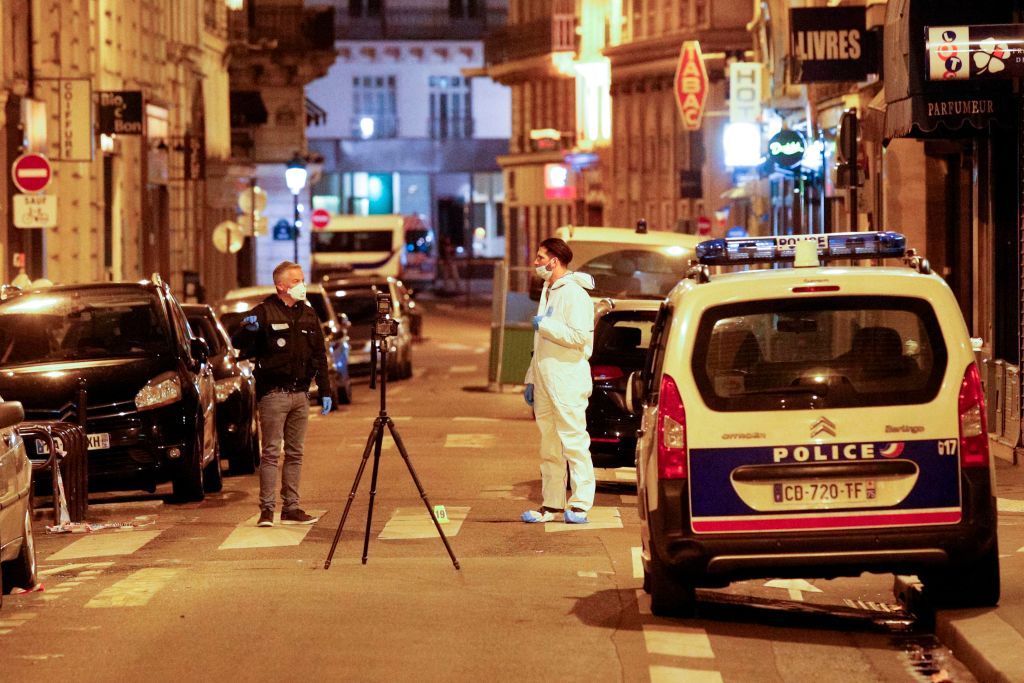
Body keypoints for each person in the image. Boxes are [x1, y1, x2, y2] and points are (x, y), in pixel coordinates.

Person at [232, 261, 332, 527]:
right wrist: (247, 329)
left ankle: (292, 507)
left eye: (302, 280)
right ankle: (266, 510)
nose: (302, 285)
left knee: (296, 453)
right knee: (271, 453)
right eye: (297, 281)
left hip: (300, 394)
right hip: (273, 394)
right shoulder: (264, 313)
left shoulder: (308, 315)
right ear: (281, 286)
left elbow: (319, 355)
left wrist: (325, 390)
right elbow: (239, 343)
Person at [521, 238, 596, 524]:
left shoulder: (574, 294)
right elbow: (539, 345)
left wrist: (547, 325)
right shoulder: (548, 290)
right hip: (546, 380)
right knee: (549, 446)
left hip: (567, 380)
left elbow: (580, 337)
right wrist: (532, 379)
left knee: (574, 442)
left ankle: (580, 504)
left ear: (555, 260)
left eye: (541, 258)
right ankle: (552, 504)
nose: (537, 262)